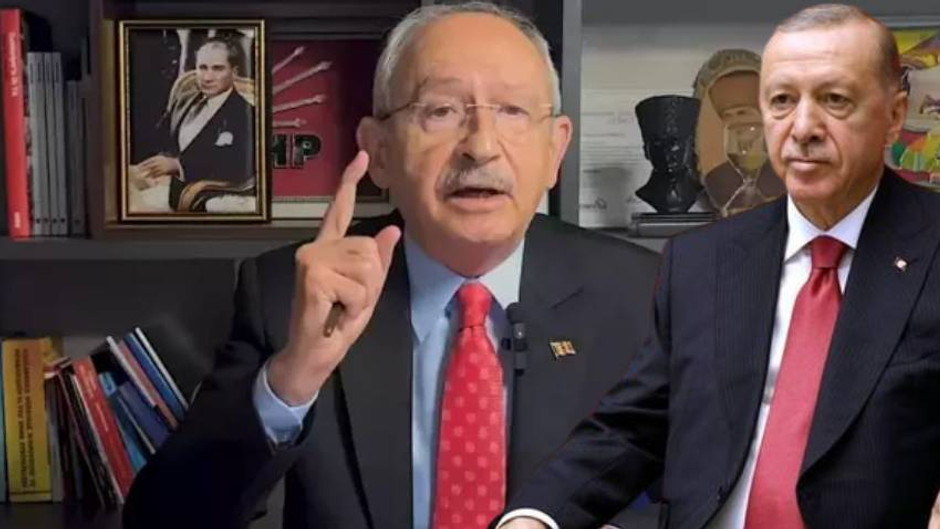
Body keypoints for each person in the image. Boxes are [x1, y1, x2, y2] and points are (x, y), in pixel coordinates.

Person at [123, 3, 660, 528]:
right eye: (441, 111)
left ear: (555, 150)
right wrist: (292, 378)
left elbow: (686, 498)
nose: (480, 147)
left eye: (513, 111)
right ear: (378, 152)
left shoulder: (642, 295)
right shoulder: (291, 292)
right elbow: (163, 519)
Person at [500, 4, 940, 529]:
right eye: (782, 100)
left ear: (894, 114)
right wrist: (534, 517)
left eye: (835, 100)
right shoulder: (701, 261)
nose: (803, 128)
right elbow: (636, 425)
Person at [134, 37, 255, 212]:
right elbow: (160, 138)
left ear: (234, 72)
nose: (207, 77)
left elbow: (236, 164)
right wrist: (153, 168)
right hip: (160, 183)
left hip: (196, 194)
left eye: (217, 69)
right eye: (202, 68)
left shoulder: (245, 114)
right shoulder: (185, 100)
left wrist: (177, 166)